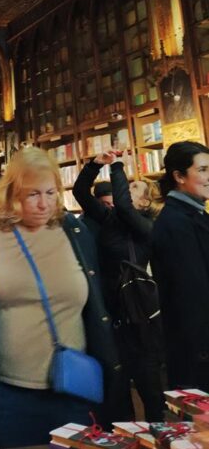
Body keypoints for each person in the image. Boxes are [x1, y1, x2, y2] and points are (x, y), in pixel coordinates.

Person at [0, 147, 118, 449]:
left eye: (51, 193)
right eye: (32, 194)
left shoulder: (75, 232)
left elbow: (97, 302)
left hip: (74, 391)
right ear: (11, 194)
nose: (44, 204)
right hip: (9, 393)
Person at [72, 151, 165, 421]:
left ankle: (158, 437)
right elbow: (80, 193)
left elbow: (124, 206)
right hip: (112, 312)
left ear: (145, 201)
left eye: (133, 187)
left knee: (150, 389)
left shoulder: (147, 227)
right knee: (117, 386)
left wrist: (117, 166)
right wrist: (93, 165)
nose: (125, 188)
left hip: (139, 316)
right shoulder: (110, 219)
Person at [152, 141, 209, 390]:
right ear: (179, 176)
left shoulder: (194, 214)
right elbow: (193, 293)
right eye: (203, 170)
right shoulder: (176, 222)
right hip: (198, 352)